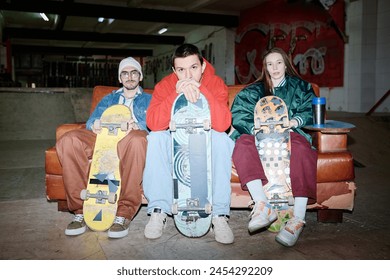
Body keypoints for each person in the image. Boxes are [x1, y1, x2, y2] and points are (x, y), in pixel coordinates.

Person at [142, 43, 235, 244]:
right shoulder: (165, 85)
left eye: (193, 68)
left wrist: (202, 91)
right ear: (174, 71)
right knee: (156, 137)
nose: (188, 76)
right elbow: (153, 123)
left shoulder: (216, 83)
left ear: (202, 66)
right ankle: (159, 209)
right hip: (177, 144)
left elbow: (223, 124)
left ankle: (219, 215)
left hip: (207, 142)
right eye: (181, 70)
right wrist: (175, 94)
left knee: (222, 139)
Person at [230, 47, 318, 247]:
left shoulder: (301, 87)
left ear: (286, 64)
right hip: (259, 136)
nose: (275, 67)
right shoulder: (254, 90)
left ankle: (297, 218)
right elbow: (239, 112)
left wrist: (295, 122)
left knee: (303, 150)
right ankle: (262, 205)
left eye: (279, 62)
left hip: (290, 134)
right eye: (270, 64)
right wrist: (254, 129)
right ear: (265, 67)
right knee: (242, 144)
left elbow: (310, 109)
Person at [56, 57, 152, 238]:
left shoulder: (150, 99)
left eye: (134, 73)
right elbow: (91, 120)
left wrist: (138, 125)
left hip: (132, 137)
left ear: (140, 77)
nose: (129, 77)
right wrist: (95, 124)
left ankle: (124, 213)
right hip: (104, 138)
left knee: (137, 141)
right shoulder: (110, 98)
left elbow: (155, 125)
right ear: (119, 78)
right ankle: (80, 210)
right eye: (125, 73)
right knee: (69, 140)